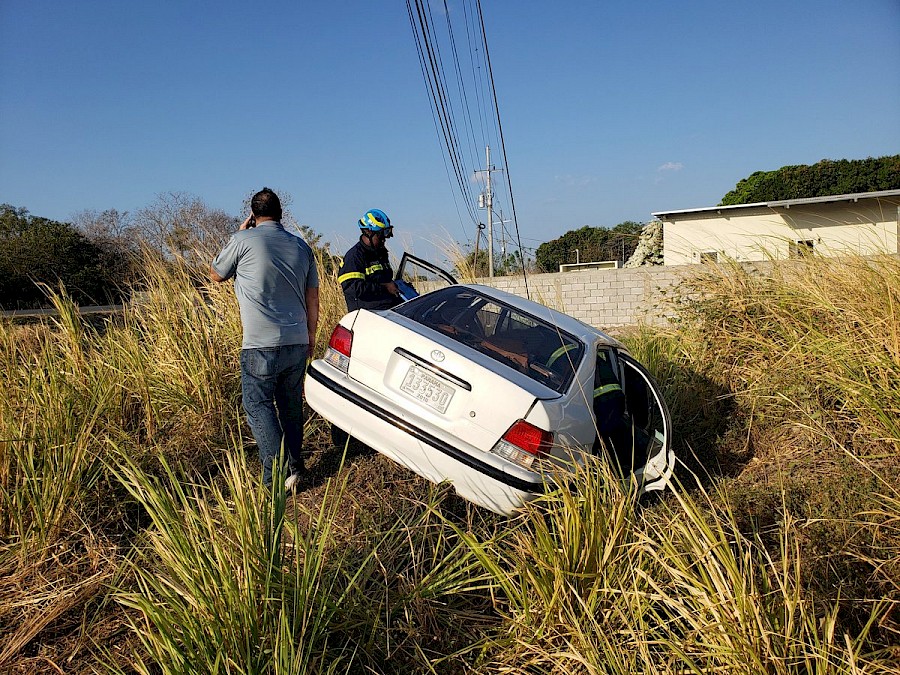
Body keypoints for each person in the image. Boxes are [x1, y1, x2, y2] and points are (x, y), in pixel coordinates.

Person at [210, 187, 319, 492]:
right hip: (297, 339)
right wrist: (310, 336)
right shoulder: (302, 247)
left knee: (258, 405)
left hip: (260, 343)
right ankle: (296, 468)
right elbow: (313, 297)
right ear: (281, 213)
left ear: (253, 215)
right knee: (290, 406)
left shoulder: (242, 240)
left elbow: (216, 274)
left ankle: (277, 476)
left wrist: (241, 232)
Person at [338, 208, 402, 312]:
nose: (384, 239)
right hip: (368, 317)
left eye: (386, 234)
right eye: (381, 234)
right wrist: (385, 287)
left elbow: (386, 280)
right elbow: (353, 288)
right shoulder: (354, 256)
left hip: (389, 311)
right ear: (368, 232)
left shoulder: (381, 253)